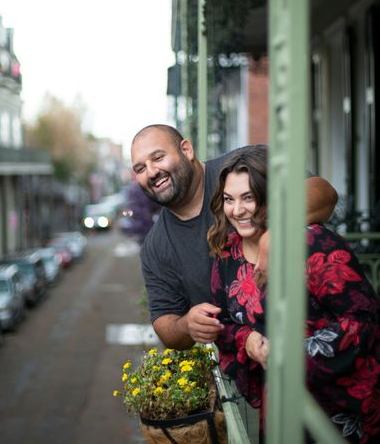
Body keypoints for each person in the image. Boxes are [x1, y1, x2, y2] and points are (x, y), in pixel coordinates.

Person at [208, 146, 380, 444]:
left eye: (248, 197)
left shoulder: (314, 244)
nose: (237, 210)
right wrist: (247, 341)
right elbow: (225, 322)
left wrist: (291, 354)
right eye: (229, 199)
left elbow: (363, 319)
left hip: (339, 412)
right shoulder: (226, 257)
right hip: (280, 415)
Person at [130, 124, 338, 350]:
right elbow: (165, 321)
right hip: (251, 365)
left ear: (187, 150)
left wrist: (278, 232)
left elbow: (323, 193)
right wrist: (186, 325)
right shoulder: (155, 247)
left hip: (325, 339)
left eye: (158, 157)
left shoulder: (242, 167)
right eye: (140, 168)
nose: (151, 172)